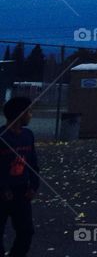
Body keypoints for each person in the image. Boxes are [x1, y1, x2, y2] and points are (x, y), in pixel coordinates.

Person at [0, 97, 39, 256]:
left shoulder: (28, 135)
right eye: (29, 111)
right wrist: (2, 187)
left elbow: (33, 164)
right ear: (20, 114)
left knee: (26, 231)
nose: (31, 115)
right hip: (2, 193)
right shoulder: (2, 137)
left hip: (22, 191)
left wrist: (33, 186)